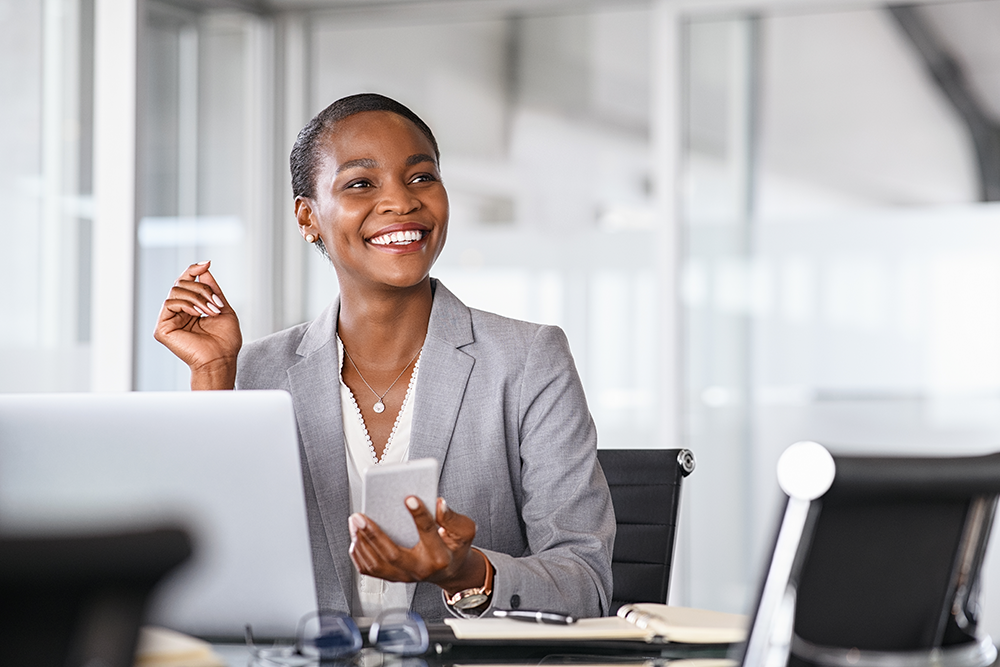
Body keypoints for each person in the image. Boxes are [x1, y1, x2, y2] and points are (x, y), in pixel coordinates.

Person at [154, 93, 614, 621]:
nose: (401, 201)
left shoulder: (528, 360)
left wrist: (466, 574)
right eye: (360, 183)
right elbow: (209, 570)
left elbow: (588, 581)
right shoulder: (256, 372)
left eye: (421, 177)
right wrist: (213, 376)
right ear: (308, 217)